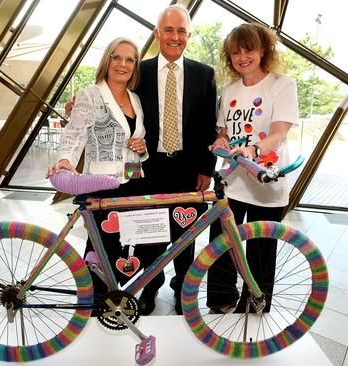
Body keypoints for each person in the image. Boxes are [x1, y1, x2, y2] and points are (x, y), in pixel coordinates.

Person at [206, 23, 299, 313]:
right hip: (232, 181)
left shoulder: (282, 84)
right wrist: (220, 141)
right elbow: (223, 131)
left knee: (260, 249)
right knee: (222, 243)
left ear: (263, 50)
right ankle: (221, 299)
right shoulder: (230, 90)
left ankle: (255, 302)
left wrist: (254, 149)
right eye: (235, 52)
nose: (242, 56)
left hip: (265, 181)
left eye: (249, 49)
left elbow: (279, 132)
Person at [48, 37, 148, 300]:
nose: (122, 64)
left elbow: (137, 139)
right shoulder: (90, 95)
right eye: (116, 57)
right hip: (102, 184)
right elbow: (74, 134)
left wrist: (142, 147)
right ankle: (91, 304)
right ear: (107, 60)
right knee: (98, 248)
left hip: (133, 182)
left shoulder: (135, 100)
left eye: (129, 59)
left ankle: (113, 299)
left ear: (135, 65)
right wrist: (65, 159)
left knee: (123, 246)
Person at [134, 4, 218, 316]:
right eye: (168, 30)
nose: (174, 36)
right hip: (149, 167)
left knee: (187, 231)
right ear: (157, 33)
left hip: (188, 167)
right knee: (150, 233)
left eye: (181, 30)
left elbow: (209, 125)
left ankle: (183, 288)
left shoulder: (203, 74)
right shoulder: (138, 72)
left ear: (189, 35)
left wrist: (205, 170)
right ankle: (150, 286)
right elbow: (113, 99)